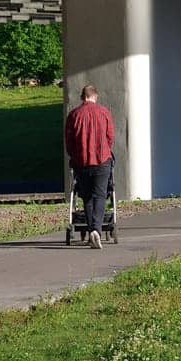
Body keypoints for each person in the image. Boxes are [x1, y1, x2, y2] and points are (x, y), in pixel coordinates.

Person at [64, 84, 115, 249]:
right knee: (100, 195)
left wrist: (75, 156)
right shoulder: (104, 112)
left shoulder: (73, 115)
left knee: (86, 196)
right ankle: (96, 230)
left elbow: (69, 142)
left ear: (82, 97)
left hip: (81, 162)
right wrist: (104, 151)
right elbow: (110, 137)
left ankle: (91, 229)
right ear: (95, 96)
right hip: (102, 160)